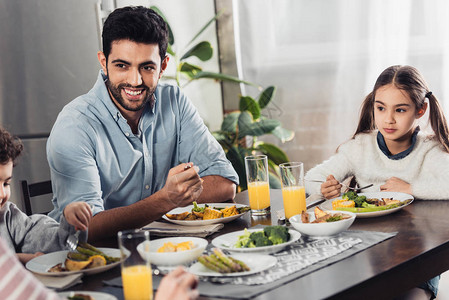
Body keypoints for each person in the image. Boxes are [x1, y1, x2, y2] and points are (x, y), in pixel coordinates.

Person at [46, 6, 239, 241]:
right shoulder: (75, 126)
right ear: (103, 62)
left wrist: (165, 201)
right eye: (122, 65)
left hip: (164, 248)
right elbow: (86, 230)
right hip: (93, 263)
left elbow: (224, 183)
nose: (135, 81)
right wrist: (167, 199)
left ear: (163, 66)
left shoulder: (174, 101)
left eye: (147, 67)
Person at [305, 65, 449, 299]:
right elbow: (311, 178)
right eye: (381, 108)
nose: (388, 119)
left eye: (400, 110)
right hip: (366, 250)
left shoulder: (428, 150)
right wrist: (323, 188)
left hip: (416, 256)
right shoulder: (360, 147)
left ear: (420, 110)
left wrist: (410, 189)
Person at [0, 127, 92, 264]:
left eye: (6, 184)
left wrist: (70, 222)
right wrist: (21, 259)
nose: (2, 194)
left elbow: (59, 246)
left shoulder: (9, 218)